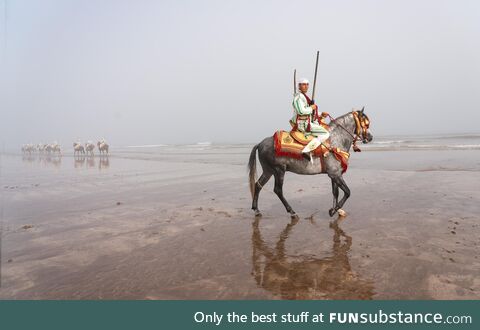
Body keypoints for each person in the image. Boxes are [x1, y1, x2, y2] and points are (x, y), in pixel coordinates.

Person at [291, 78, 330, 155]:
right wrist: (311, 108)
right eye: (303, 84)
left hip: (307, 121)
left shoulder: (304, 97)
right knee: (325, 134)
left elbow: (309, 112)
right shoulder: (298, 97)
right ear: (299, 86)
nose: (306, 86)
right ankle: (307, 150)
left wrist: (321, 114)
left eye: (307, 84)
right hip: (303, 124)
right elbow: (301, 111)